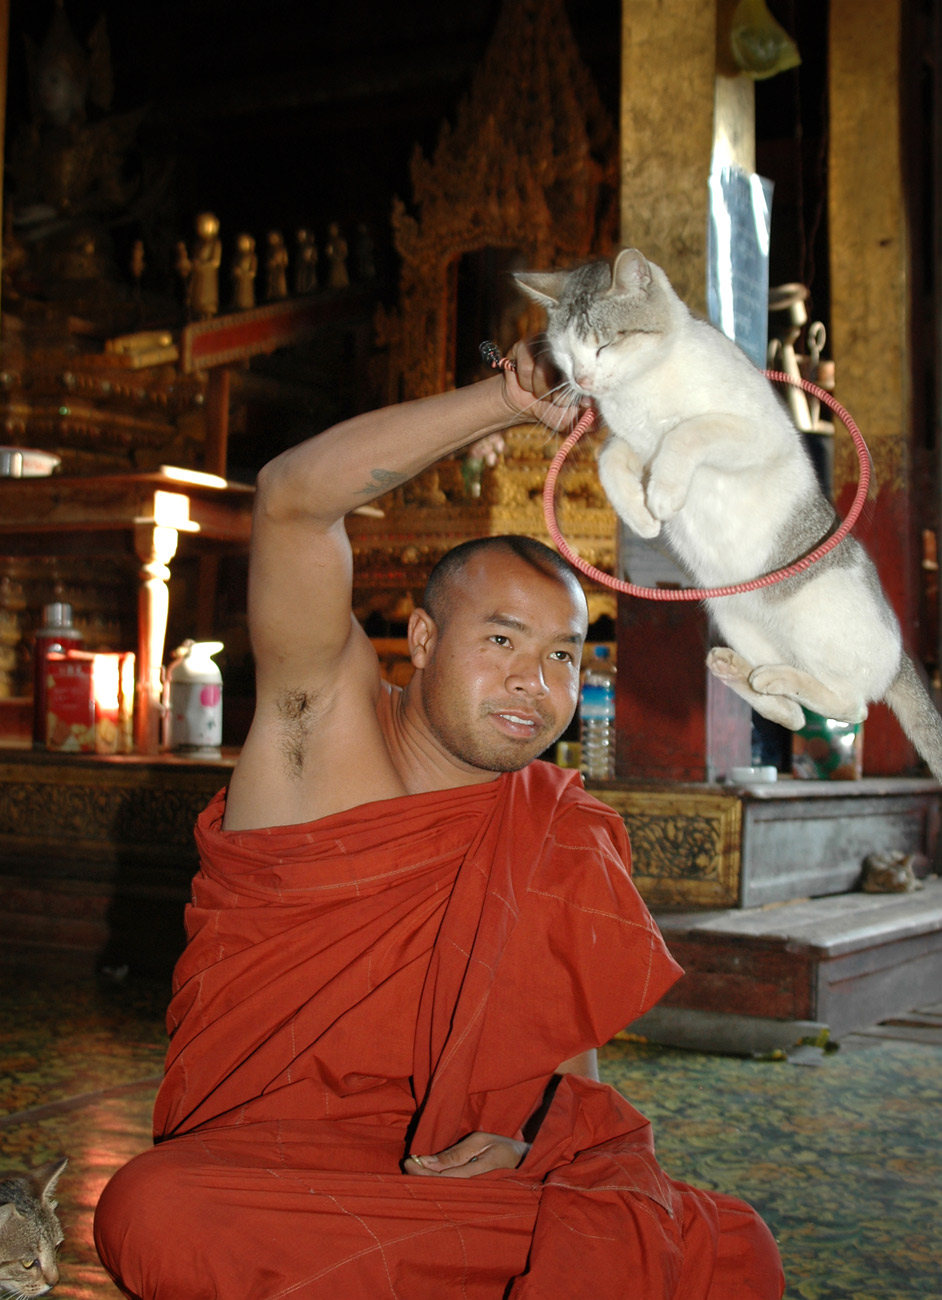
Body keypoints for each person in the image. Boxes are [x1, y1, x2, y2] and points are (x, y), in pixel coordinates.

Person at [94, 341, 785, 1299]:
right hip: (275, 1175)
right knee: (153, 1214)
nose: (531, 685)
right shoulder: (316, 735)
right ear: (422, 639)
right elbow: (293, 497)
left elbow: (557, 1037)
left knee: (730, 1246)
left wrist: (527, 1135)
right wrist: (499, 407)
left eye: (559, 657)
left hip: (453, 1187)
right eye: (500, 640)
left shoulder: (556, 826)